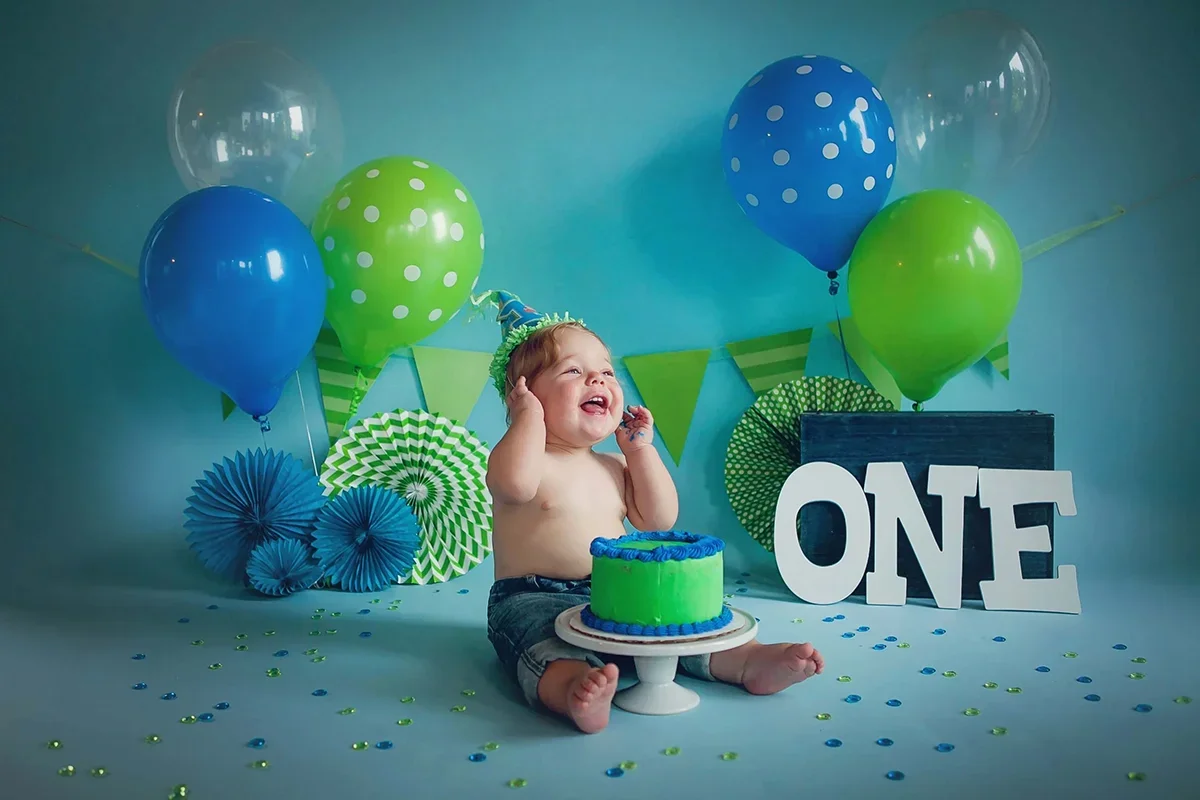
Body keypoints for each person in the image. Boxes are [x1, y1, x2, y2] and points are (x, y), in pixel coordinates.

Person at [476, 290, 824, 733]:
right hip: (532, 597)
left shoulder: (613, 465)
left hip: (615, 591)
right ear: (524, 395)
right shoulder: (525, 461)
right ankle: (573, 689)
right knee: (541, 645)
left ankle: (744, 661)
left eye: (606, 372)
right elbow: (513, 485)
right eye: (574, 372)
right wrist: (526, 418)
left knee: (682, 619)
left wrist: (640, 452)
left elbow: (658, 520)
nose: (598, 381)